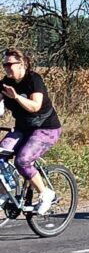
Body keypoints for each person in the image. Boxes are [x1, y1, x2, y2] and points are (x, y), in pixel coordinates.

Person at [0, 48, 61, 214]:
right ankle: (5, 192)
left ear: (21, 64)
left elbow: (35, 106)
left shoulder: (34, 79)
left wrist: (17, 97)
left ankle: (46, 193)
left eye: (9, 64)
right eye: (4, 64)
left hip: (46, 129)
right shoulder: (6, 83)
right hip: (23, 128)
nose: (6, 67)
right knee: (0, 155)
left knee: (22, 160)